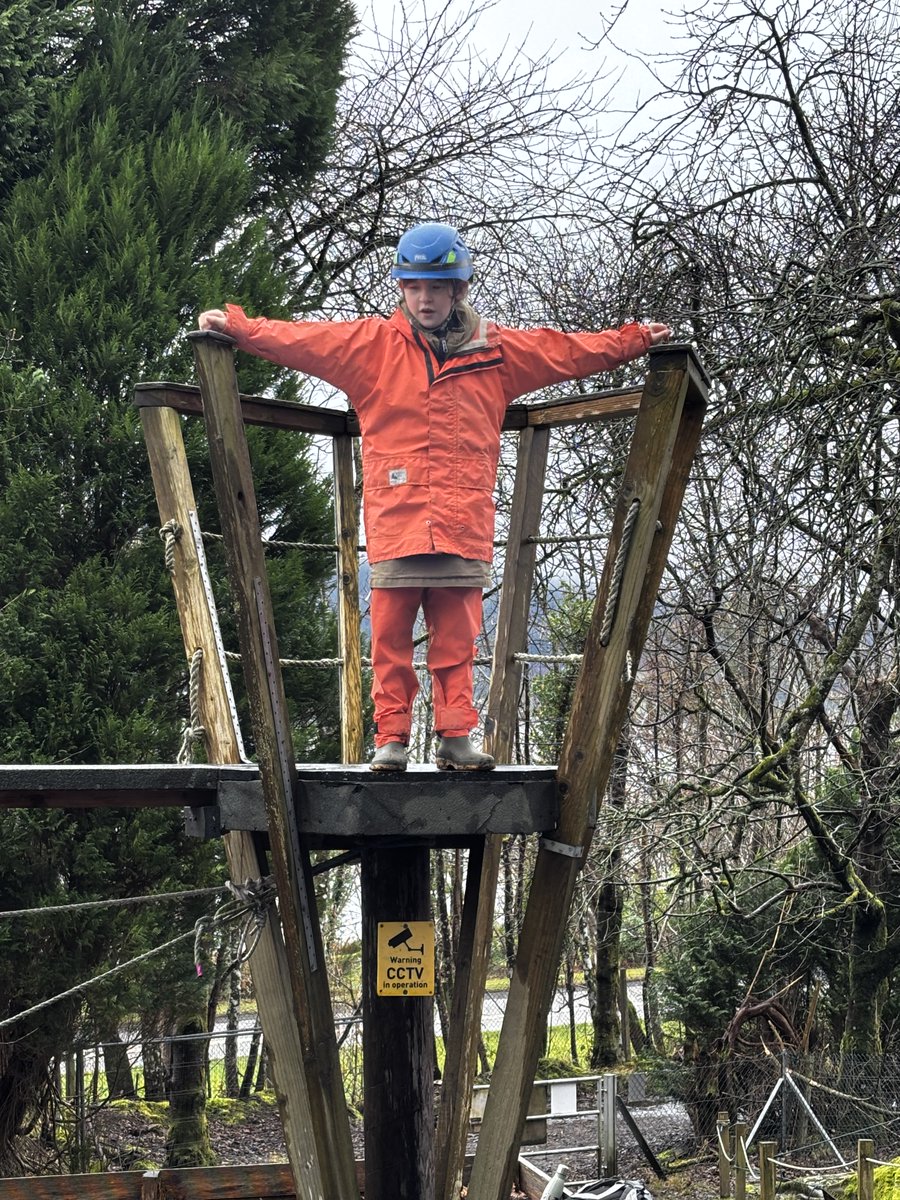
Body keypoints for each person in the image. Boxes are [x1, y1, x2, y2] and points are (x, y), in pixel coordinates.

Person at [199, 222, 670, 773]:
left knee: (457, 640)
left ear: (457, 289)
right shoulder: (372, 347)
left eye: (437, 287)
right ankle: (391, 738)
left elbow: (564, 352)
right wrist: (239, 328)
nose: (425, 299)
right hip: (396, 521)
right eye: (414, 286)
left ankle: (455, 736)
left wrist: (634, 340)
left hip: (462, 522)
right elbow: (302, 340)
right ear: (402, 288)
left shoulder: (496, 352)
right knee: (390, 640)